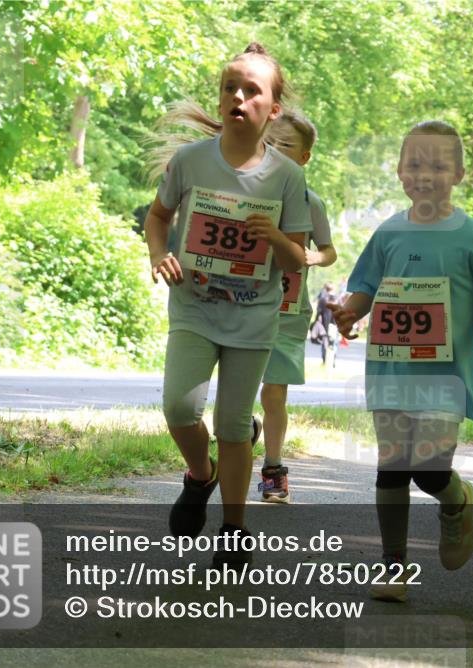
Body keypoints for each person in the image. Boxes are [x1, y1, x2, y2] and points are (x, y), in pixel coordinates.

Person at [329, 121, 473, 602]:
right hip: (391, 370)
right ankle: (394, 569)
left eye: (437, 165)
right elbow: (366, 287)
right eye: (415, 164)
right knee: (392, 466)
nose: (425, 174)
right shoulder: (389, 232)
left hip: (446, 376)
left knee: (429, 470)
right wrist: (350, 313)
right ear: (399, 172)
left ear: (457, 173)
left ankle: (456, 501)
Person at [144, 43, 310, 568]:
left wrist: (274, 237)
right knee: (179, 407)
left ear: (273, 109)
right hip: (194, 306)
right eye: (229, 87)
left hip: (253, 317)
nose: (237, 96)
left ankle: (235, 529)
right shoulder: (192, 161)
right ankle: (200, 475)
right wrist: (158, 256)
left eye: (251, 90)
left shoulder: (287, 177)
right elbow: (158, 218)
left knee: (236, 425)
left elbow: (299, 258)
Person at [256, 111, 337, 504]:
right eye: (268, 141)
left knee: (274, 394)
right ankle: (243, 432)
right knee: (236, 395)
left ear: (305, 157)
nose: (273, 150)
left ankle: (273, 469)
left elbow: (329, 251)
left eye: (284, 145)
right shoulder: (245, 191)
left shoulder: (312, 203)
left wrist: (312, 258)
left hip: (287, 311)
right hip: (240, 305)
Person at [315, 282, 339, 366]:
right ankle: (333, 361)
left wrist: (315, 322)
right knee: (334, 342)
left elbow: (318, 312)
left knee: (324, 342)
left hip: (324, 324)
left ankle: (324, 360)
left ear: (325, 289)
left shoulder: (323, 299)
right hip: (335, 324)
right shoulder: (337, 299)